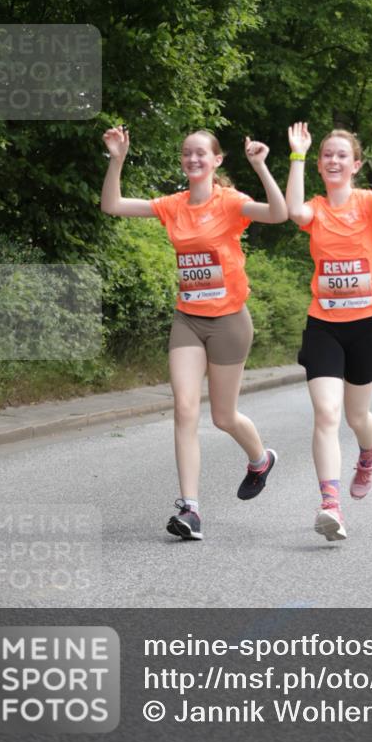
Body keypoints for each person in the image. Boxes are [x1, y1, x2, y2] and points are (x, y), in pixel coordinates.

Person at [100, 125, 288, 541]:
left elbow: (278, 214)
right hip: (188, 319)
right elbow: (112, 205)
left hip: (229, 321)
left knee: (223, 416)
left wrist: (261, 166)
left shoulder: (231, 203)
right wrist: (117, 159)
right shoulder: (173, 205)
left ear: (217, 160)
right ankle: (191, 509)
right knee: (185, 408)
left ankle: (260, 459)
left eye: (201, 153)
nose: (193, 159)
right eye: (187, 153)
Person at [286, 113, 372, 541]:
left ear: (356, 164)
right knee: (326, 413)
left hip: (365, 326)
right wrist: (297, 155)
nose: (332, 160)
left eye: (341, 155)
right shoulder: (317, 207)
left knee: (356, 416)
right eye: (326, 154)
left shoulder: (367, 203)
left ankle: (368, 452)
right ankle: (330, 504)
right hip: (324, 325)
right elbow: (292, 212)